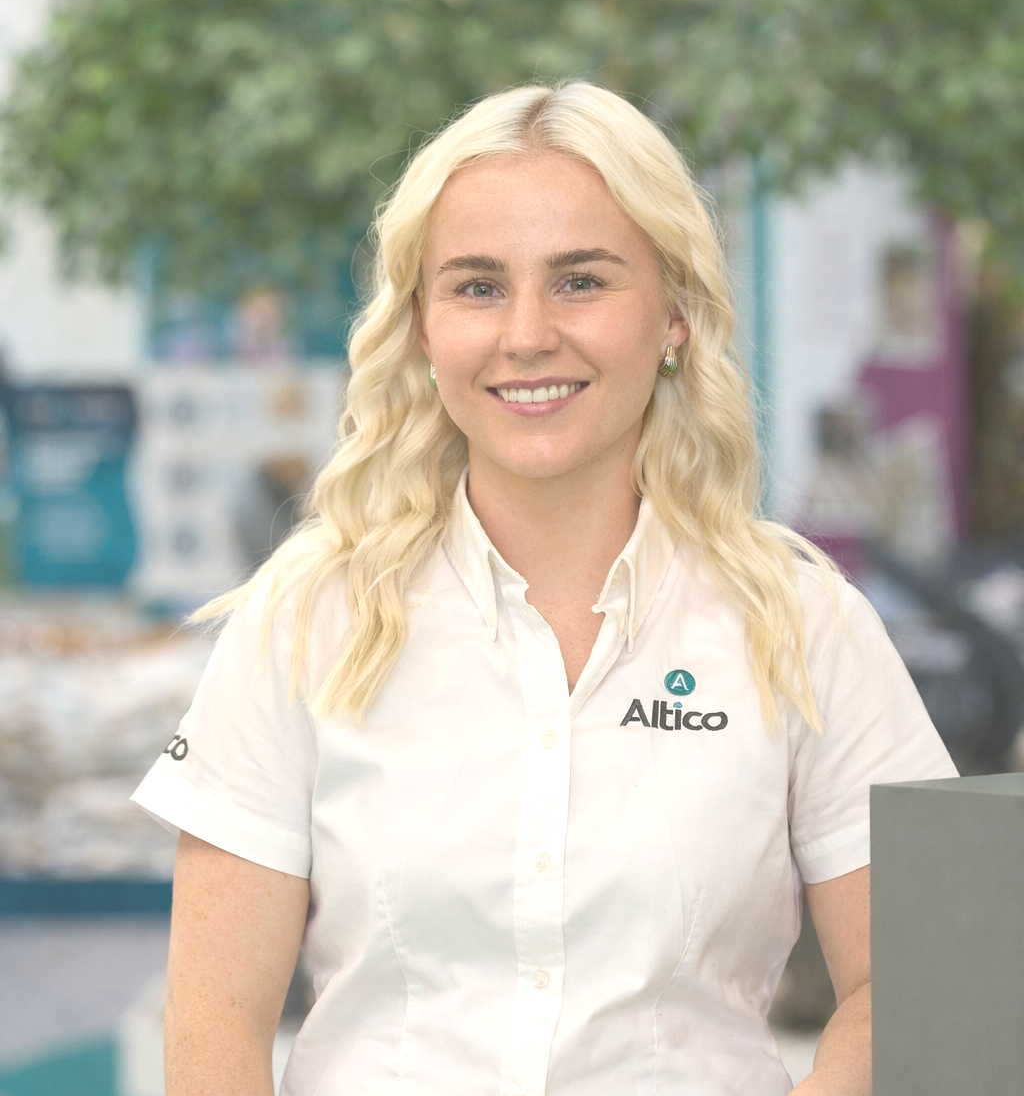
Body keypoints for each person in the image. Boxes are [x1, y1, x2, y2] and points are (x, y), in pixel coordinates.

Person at [132, 82, 956, 1096]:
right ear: (423, 330)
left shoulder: (809, 622)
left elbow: (937, 976)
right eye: (477, 287)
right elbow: (212, 1013)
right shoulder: (304, 616)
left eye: (580, 281)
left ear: (675, 317)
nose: (525, 333)